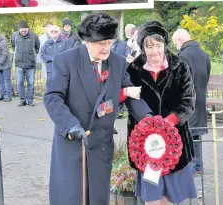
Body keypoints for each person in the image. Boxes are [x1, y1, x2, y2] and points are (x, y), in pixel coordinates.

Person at [43, 12, 152, 205]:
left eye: (109, 42)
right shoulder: (66, 60)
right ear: (87, 41)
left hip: (101, 144)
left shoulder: (118, 62)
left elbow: (129, 93)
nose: (106, 48)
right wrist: (69, 125)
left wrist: (150, 120)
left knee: (98, 198)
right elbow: (53, 97)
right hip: (73, 142)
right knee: (72, 197)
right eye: (101, 43)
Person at [125, 21, 197, 205]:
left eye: (159, 45)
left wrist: (168, 123)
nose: (155, 51)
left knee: (172, 199)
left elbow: (188, 102)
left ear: (165, 44)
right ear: (142, 47)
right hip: (146, 148)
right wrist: (150, 124)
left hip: (176, 145)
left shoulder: (180, 66)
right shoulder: (133, 70)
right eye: (149, 46)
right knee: (152, 199)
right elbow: (131, 100)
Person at [172, 28, 211, 175]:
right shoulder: (205, 55)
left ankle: (192, 166)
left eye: (176, 43)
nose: (176, 46)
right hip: (200, 97)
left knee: (187, 132)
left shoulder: (183, 56)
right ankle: (198, 165)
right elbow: (207, 76)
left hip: (186, 100)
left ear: (180, 40)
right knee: (196, 133)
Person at [11, 20, 40, 107]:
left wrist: (31, 55)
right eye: (22, 31)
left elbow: (37, 47)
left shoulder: (34, 36)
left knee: (31, 83)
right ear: (19, 29)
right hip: (19, 64)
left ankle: (30, 100)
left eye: (25, 31)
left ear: (28, 29)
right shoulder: (14, 35)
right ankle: (22, 100)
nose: (23, 32)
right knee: (19, 83)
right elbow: (13, 46)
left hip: (31, 64)